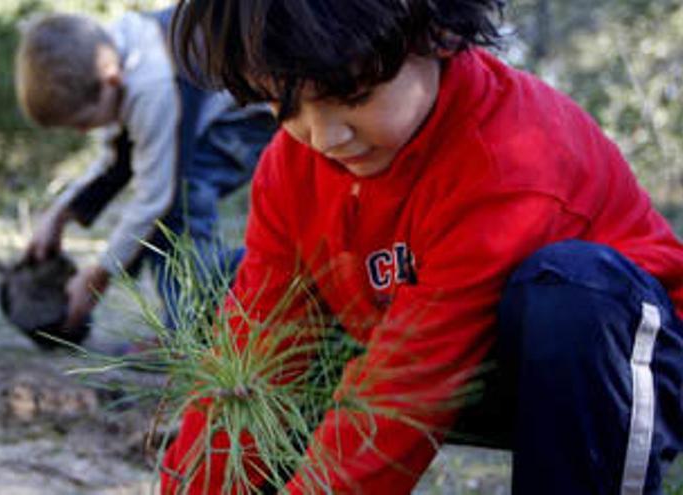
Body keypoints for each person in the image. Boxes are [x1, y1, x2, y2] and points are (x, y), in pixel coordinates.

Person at [160, 0, 683, 493]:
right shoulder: (291, 170)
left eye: (351, 97)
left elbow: (407, 385)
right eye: (284, 104)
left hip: (618, 368)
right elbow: (257, 354)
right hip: (448, 360)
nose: (324, 138)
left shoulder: (508, 160)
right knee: (230, 290)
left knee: (571, 295)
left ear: (438, 34)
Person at [14, 9, 275, 334]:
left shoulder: (151, 85)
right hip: (209, 118)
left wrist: (99, 274)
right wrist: (59, 214)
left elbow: (155, 198)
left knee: (175, 208)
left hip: (251, 117)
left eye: (83, 121)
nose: (83, 132)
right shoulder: (115, 51)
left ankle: (213, 317)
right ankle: (184, 325)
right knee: (163, 218)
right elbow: (114, 160)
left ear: (111, 79)